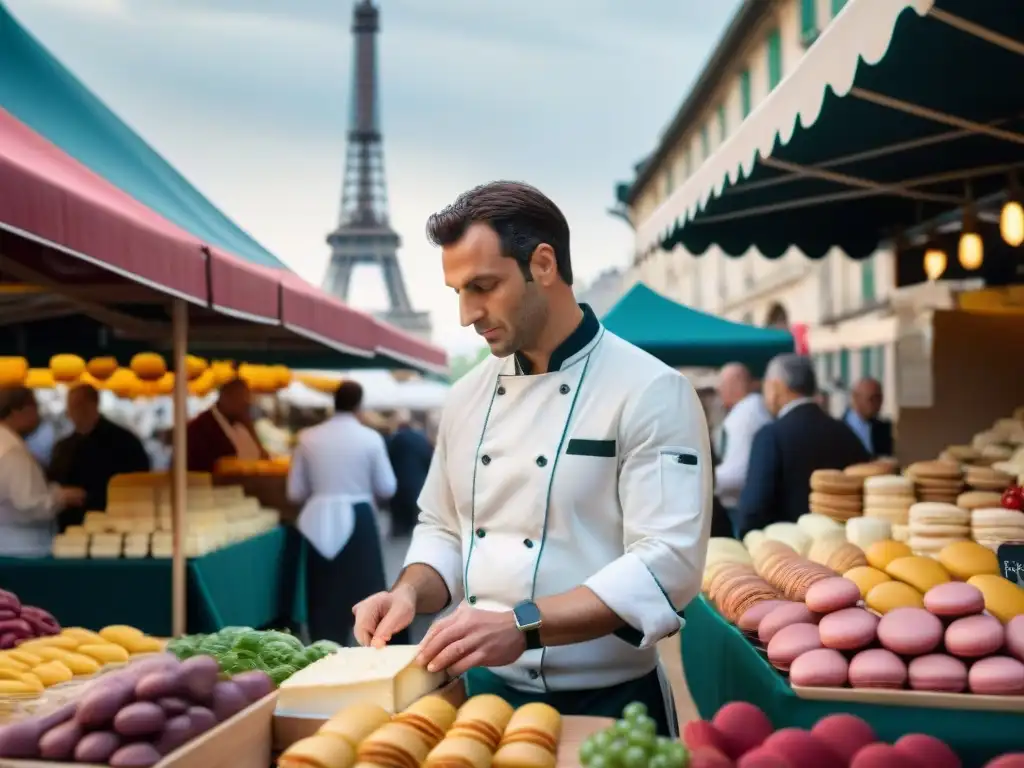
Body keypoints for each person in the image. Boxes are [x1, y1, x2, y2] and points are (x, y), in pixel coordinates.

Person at [352, 181, 712, 736]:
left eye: (483, 286)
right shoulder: (465, 396)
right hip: (480, 700)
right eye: (458, 292)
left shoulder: (651, 390)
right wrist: (406, 592)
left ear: (542, 264)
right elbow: (443, 530)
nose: (468, 314)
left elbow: (667, 561)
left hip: (612, 705)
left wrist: (522, 625)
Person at [287, 380, 400, 646]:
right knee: (366, 594)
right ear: (359, 405)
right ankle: (371, 648)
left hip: (314, 520)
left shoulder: (307, 438)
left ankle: (323, 652)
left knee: (321, 596)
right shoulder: (370, 438)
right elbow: (387, 487)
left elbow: (294, 492)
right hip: (359, 516)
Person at [733, 354, 870, 537]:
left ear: (775, 387)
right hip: (846, 551)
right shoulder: (845, 433)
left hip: (787, 556)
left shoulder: (771, 436)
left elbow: (752, 511)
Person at [48, 384, 150, 530]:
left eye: (79, 405)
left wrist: (89, 497)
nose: (74, 412)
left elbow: (137, 483)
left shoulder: (124, 442)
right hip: (69, 527)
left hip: (112, 525)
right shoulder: (63, 447)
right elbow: (53, 480)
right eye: (71, 407)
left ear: (94, 404)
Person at [0, 387, 85, 556]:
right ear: (19, 410)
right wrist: (62, 497)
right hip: (22, 549)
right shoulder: (11, 451)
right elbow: (28, 505)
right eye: (36, 408)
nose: (38, 415)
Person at [714, 363, 771, 512]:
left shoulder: (746, 415)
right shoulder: (751, 409)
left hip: (739, 505)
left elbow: (739, 473)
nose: (718, 390)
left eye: (722, 384)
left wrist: (700, 481)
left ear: (736, 384)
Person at [185, 378, 267, 473]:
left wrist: (251, 429)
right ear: (225, 397)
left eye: (247, 398)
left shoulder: (242, 424)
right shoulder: (200, 427)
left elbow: (263, 458)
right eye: (240, 397)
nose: (246, 404)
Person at [386, 410, 434, 539]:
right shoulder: (421, 438)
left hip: (399, 482)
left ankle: (400, 530)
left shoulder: (395, 439)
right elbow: (428, 458)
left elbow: (388, 459)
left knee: (399, 517)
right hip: (417, 481)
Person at [844, 377, 894, 458]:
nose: (877, 403)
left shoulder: (885, 429)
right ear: (856, 398)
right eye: (872, 398)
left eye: (879, 399)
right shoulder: (839, 428)